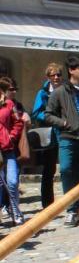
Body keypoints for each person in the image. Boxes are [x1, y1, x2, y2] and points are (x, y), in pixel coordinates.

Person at [44, 56, 79, 227]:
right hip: (68, 137)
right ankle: (70, 210)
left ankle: (75, 211)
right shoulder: (60, 92)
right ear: (71, 70)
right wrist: (64, 123)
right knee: (66, 170)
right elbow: (48, 114)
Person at [32, 63, 63, 208]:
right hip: (50, 135)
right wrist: (51, 118)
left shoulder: (66, 90)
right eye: (53, 75)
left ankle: (74, 199)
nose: (56, 77)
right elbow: (36, 113)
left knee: (69, 168)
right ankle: (47, 202)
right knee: (49, 169)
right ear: (48, 77)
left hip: (65, 133)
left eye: (58, 74)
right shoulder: (42, 93)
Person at [0, 79, 25, 225]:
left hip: (8, 149)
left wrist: (12, 136)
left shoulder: (8, 104)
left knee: (12, 181)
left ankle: (16, 211)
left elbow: (18, 122)